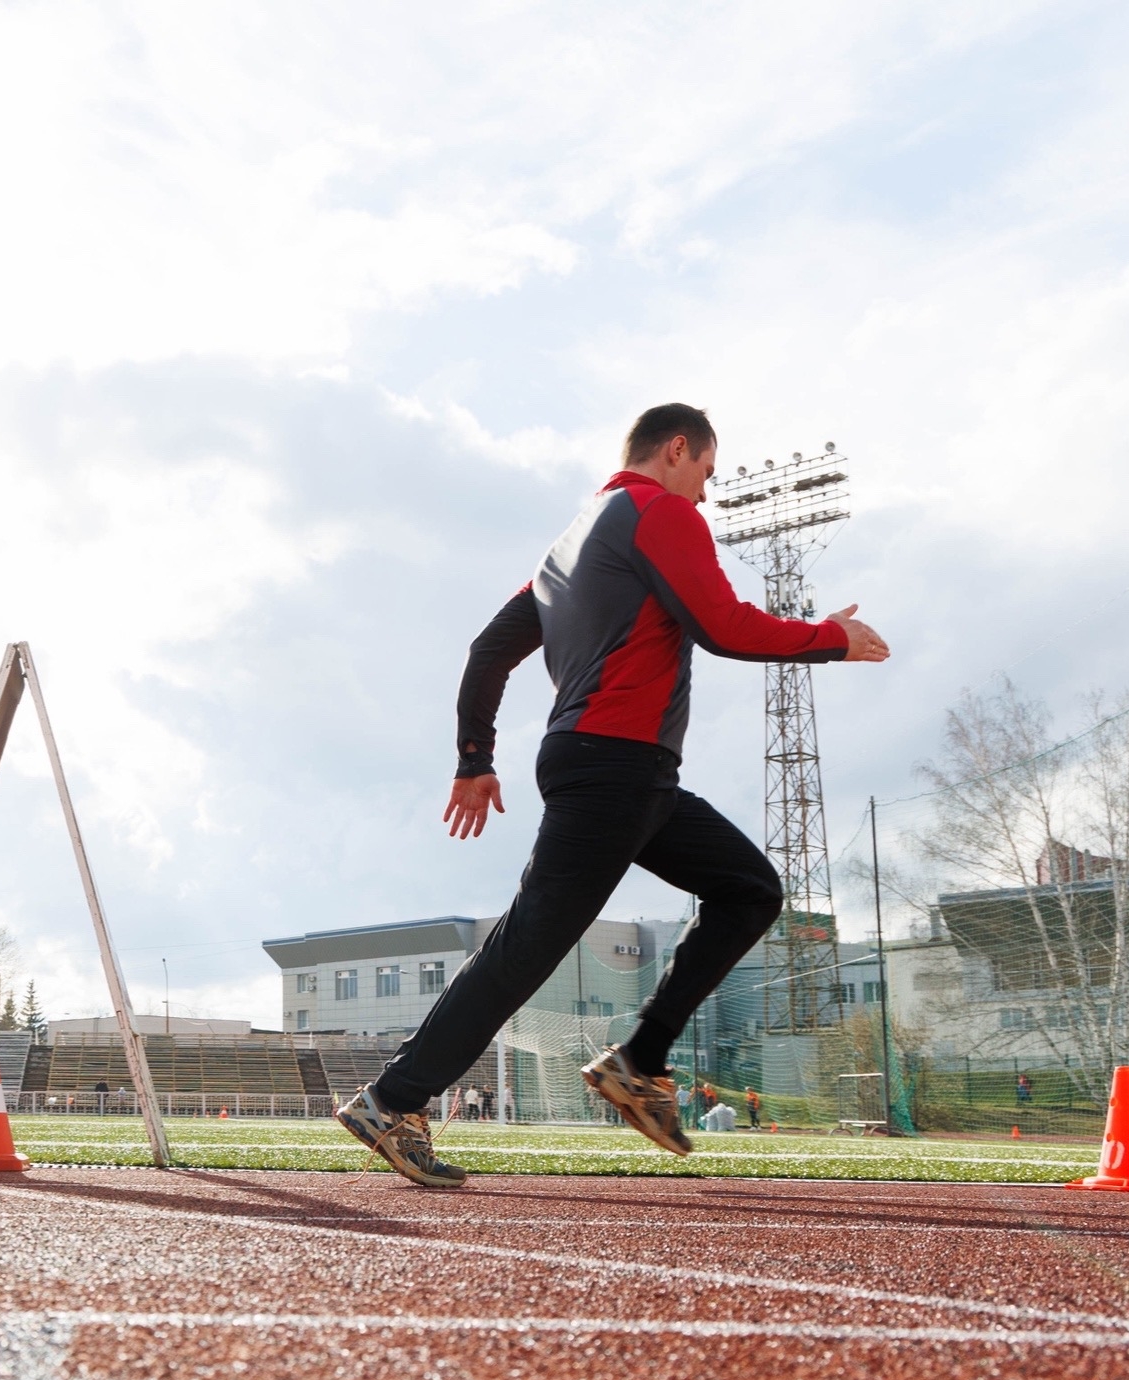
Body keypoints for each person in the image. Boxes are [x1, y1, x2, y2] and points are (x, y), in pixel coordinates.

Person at [335, 404, 890, 1187]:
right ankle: (393, 1099)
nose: (706, 495)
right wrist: (830, 638)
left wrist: (474, 759)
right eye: (706, 473)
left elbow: (488, 650)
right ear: (676, 450)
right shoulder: (658, 513)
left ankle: (640, 1059)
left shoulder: (570, 543)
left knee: (749, 890)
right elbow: (724, 626)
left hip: (624, 771)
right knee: (527, 945)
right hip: (613, 767)